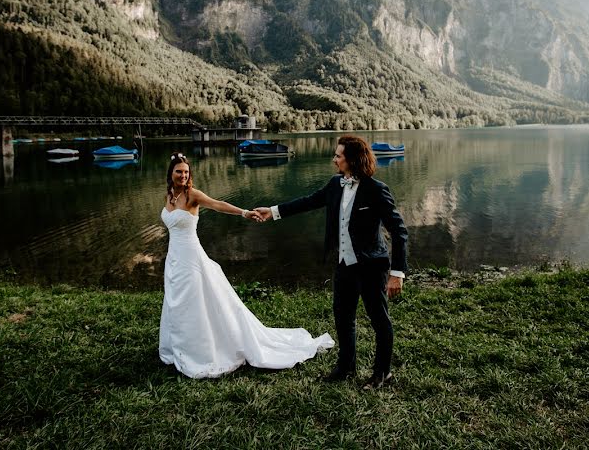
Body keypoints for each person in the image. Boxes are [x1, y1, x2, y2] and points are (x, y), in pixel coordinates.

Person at [159, 152, 333, 378]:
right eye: (178, 171)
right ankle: (180, 347)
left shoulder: (193, 195)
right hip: (175, 256)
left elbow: (218, 205)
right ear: (171, 174)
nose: (183, 175)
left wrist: (244, 213)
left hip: (192, 257)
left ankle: (203, 350)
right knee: (178, 300)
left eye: (186, 172)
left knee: (195, 300)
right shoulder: (170, 195)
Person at [254, 135, 408, 390]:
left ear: (352, 160)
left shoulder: (376, 189)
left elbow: (399, 230)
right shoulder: (336, 185)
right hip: (344, 265)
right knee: (343, 316)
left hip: (371, 266)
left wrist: (397, 273)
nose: (334, 160)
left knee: (379, 319)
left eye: (338, 156)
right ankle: (346, 366)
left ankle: (383, 373)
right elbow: (309, 201)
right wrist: (273, 211)